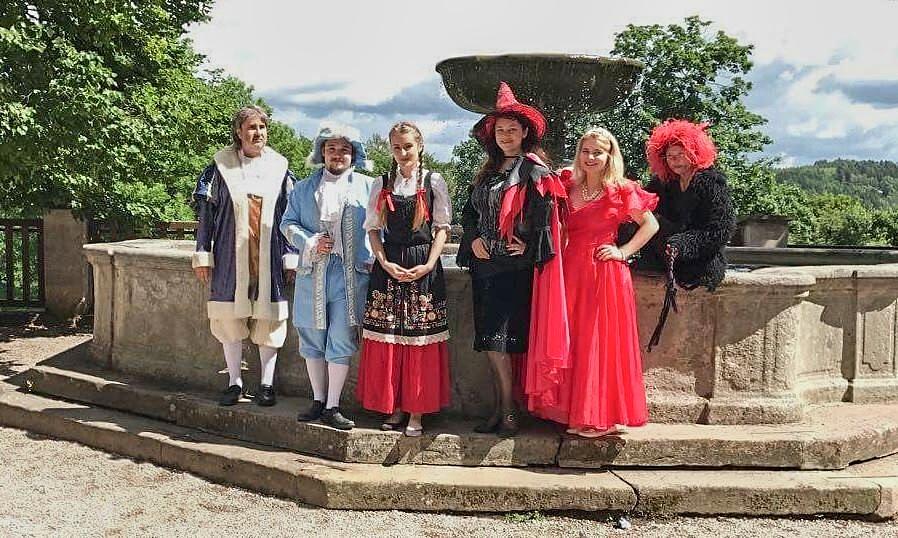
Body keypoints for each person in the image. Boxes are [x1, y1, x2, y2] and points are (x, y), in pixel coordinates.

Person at [457, 82, 568, 438]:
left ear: (524, 133)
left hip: (512, 269)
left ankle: (507, 411)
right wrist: (473, 239)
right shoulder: (487, 172)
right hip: (484, 266)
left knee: (500, 342)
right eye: (500, 130)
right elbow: (469, 213)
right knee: (491, 343)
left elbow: (548, 215)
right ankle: (500, 408)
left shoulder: (535, 171)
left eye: (512, 130)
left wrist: (530, 246)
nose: (505, 136)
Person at [539, 128, 659, 437]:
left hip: (603, 273)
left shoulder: (621, 189)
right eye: (586, 151)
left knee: (598, 342)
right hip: (571, 270)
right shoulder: (569, 184)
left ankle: (601, 417)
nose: (590, 157)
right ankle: (577, 412)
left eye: (598, 152)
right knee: (575, 339)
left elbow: (650, 225)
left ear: (609, 156)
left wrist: (623, 252)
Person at [192, 105, 298, 407]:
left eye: (262, 127)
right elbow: (206, 215)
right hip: (230, 253)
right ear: (239, 132)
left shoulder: (280, 168)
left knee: (270, 320)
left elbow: (291, 216)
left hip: (269, 254)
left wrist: (291, 255)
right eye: (251, 127)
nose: (258, 133)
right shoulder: (220, 167)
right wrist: (203, 253)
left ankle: (266, 385)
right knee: (228, 317)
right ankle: (234, 382)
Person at [355, 121, 452, 437]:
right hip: (389, 265)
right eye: (396, 147)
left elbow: (441, 229)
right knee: (390, 336)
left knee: (419, 338)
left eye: (408, 146)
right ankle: (395, 405)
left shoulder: (433, 181)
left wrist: (429, 265)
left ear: (420, 145)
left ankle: (417, 411)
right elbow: (373, 229)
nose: (403, 152)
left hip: (423, 263)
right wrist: (383, 262)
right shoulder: (382, 183)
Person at [280, 123, 373, 430]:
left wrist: (374, 257)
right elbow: (287, 224)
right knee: (312, 335)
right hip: (313, 271)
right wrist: (309, 241)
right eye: (331, 148)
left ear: (354, 154)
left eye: (344, 149)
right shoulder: (303, 188)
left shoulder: (368, 187)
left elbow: (379, 227)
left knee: (342, 336)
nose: (337, 154)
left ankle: (333, 405)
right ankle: (318, 400)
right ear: (322, 152)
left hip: (350, 275)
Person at [637, 119, 737, 349]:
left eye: (681, 155)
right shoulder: (663, 183)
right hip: (666, 258)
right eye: (670, 157)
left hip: (701, 263)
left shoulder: (711, 182)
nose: (675, 161)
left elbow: (722, 229)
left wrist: (684, 243)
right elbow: (641, 207)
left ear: (694, 152)